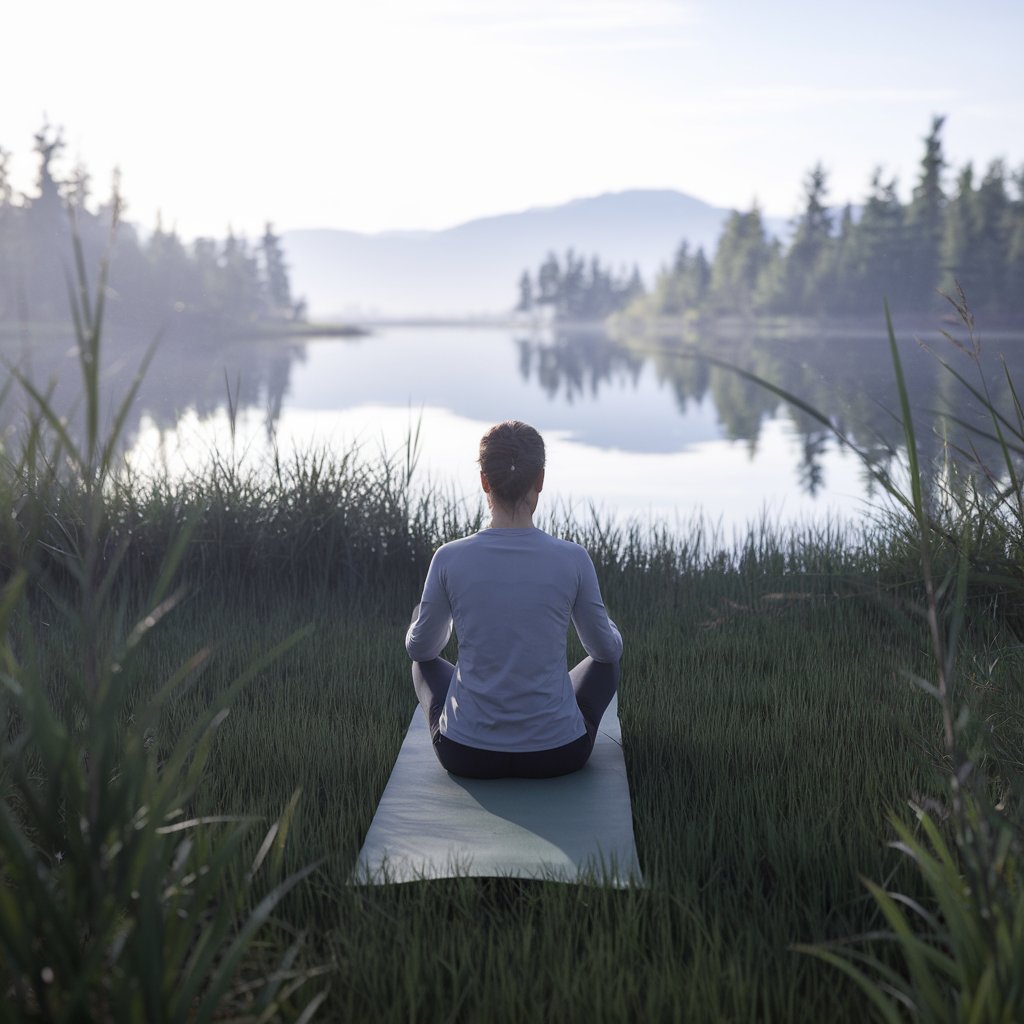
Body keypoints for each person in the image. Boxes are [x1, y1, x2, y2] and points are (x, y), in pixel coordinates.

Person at [406, 420, 622, 779]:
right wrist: (611, 628)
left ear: (484, 482)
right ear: (540, 480)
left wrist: (426, 622)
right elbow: (605, 652)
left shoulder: (448, 557)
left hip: (466, 754)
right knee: (608, 663)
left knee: (423, 665)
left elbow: (421, 649)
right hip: (559, 754)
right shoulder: (573, 558)